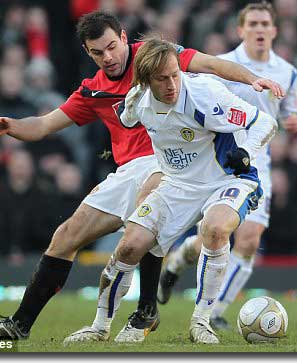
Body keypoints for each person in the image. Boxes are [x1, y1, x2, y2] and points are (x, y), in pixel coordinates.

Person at [0, 10, 284, 341]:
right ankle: (18, 325)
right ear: (87, 53)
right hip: (126, 170)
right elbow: (47, 123)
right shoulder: (92, 91)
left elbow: (208, 64)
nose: (107, 58)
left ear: (123, 38)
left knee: (148, 202)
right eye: (97, 52)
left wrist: (251, 79)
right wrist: (12, 126)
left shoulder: (155, 61)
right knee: (66, 236)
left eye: (111, 47)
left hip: (166, 163)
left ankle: (146, 308)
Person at [62, 38, 277, 345]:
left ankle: (201, 321)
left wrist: (245, 152)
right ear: (146, 80)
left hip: (226, 178)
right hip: (177, 184)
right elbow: (123, 119)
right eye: (162, 79)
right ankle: (99, 327)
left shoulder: (205, 95)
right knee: (128, 246)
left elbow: (265, 122)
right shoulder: (138, 101)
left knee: (215, 230)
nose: (172, 84)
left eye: (175, 74)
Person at [156, 1, 297, 331]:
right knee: (217, 231)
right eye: (253, 23)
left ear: (275, 30)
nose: (260, 29)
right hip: (218, 158)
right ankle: (182, 258)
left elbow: (287, 112)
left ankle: (216, 312)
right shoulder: (222, 65)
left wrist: (295, 120)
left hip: (259, 160)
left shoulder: (289, 72)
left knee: (249, 239)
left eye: (265, 23)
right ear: (241, 30)